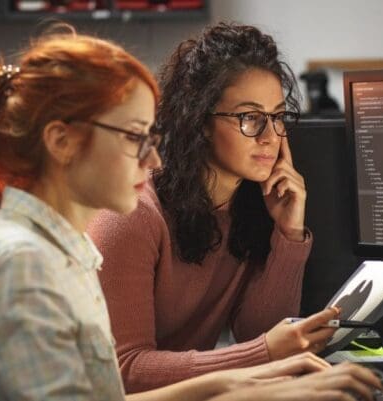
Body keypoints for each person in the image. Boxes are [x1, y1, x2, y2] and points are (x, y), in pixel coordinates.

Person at [0, 24, 383, 401]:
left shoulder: (61, 249)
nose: (153, 160)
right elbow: (124, 375)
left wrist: (248, 379)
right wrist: (247, 386)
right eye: (134, 138)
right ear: (61, 142)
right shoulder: (22, 264)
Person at [87, 22, 341, 392]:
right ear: (201, 121)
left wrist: (289, 235)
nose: (271, 136)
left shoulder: (250, 202)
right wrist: (263, 352)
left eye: (278, 117)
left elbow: (257, 334)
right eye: (250, 117)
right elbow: (123, 371)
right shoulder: (132, 214)